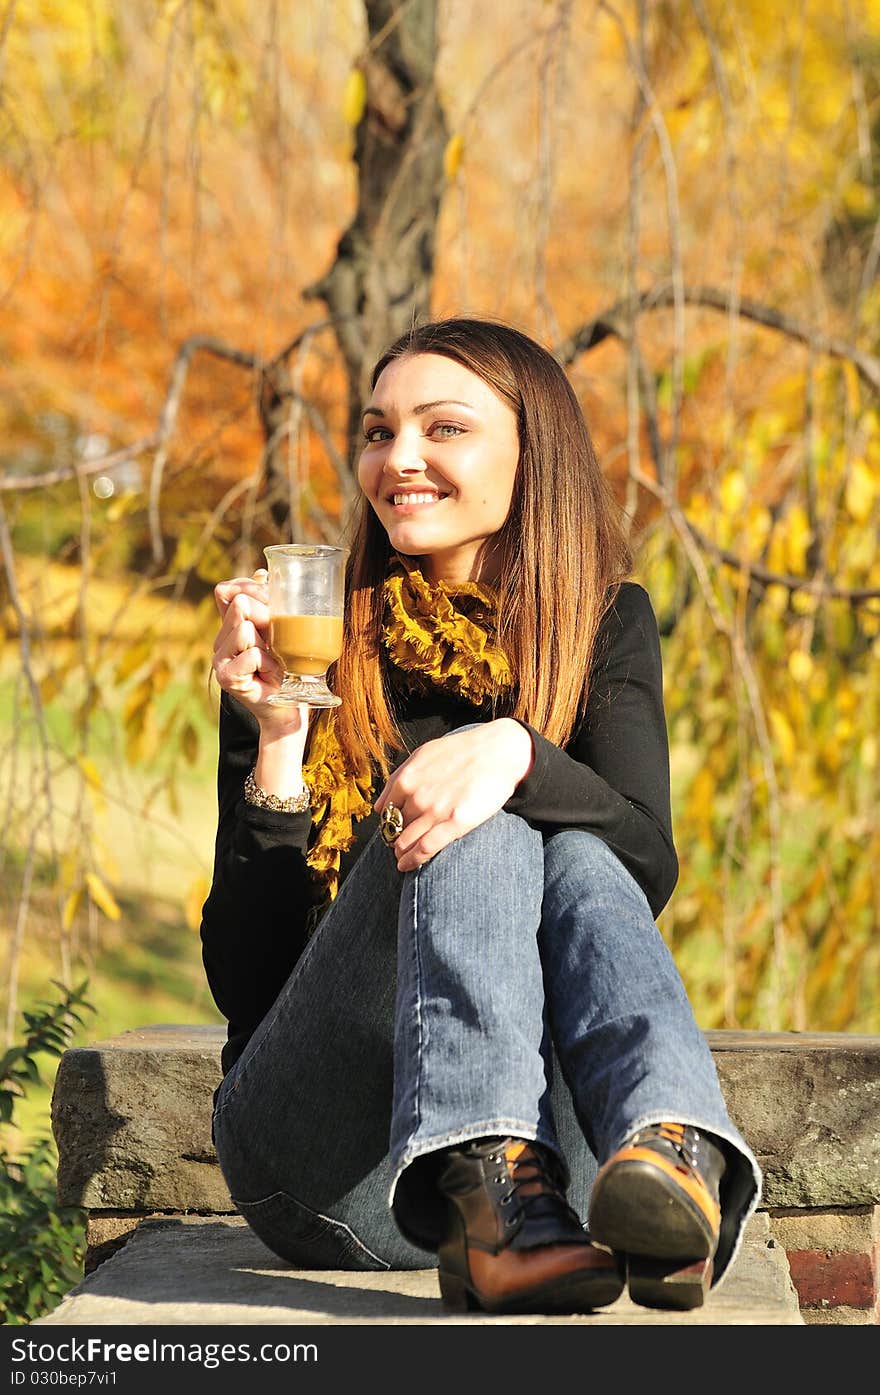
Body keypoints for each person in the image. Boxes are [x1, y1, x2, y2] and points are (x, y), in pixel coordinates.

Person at [201, 316, 761, 1317]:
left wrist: (515, 753)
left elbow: (643, 866)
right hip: (322, 1161)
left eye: (443, 429)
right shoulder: (310, 646)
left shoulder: (603, 623)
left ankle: (667, 1155)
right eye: (377, 432)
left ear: (528, 453)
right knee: (483, 823)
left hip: (561, 1178)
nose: (397, 458)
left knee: (580, 849)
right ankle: (485, 1185)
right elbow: (247, 985)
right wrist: (280, 743)